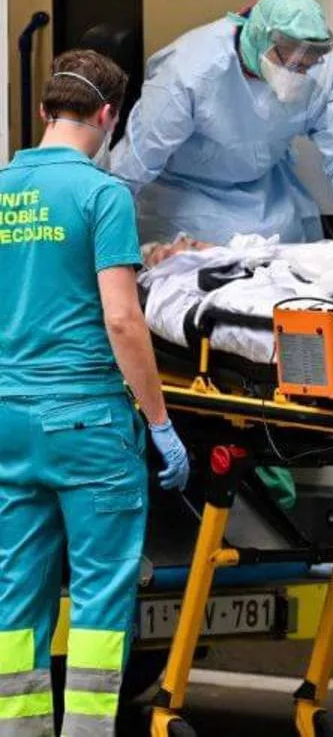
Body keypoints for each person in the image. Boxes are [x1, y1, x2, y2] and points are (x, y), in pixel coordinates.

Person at [0, 50, 190, 737]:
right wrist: (160, 422)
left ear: (45, 110)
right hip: (88, 427)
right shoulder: (102, 195)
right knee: (101, 602)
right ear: (109, 116)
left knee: (15, 598)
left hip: (10, 422)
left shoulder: (3, 188)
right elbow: (121, 319)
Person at [109, 0, 333, 253]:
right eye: (289, 63)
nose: (297, 75)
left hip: (267, 200)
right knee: (203, 266)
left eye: (304, 66)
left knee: (285, 264)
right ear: (258, 37)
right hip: (186, 197)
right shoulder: (188, 71)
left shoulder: (320, 66)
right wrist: (103, 237)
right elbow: (134, 165)